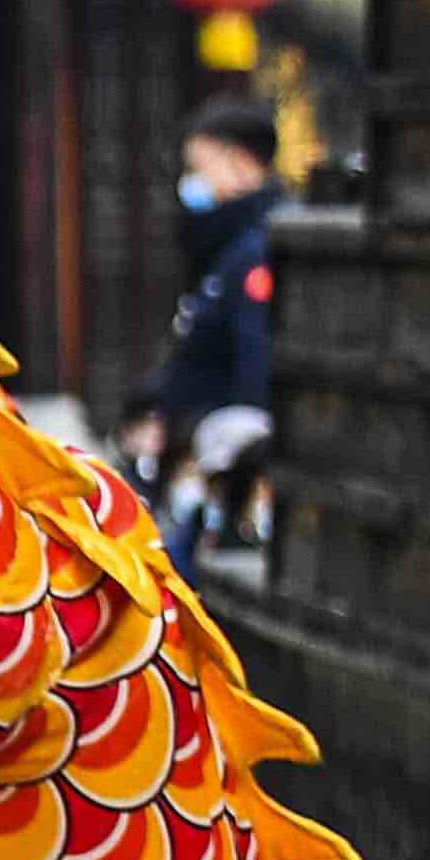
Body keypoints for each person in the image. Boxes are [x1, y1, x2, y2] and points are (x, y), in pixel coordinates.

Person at [124, 96, 282, 556]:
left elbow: (255, 370)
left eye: (200, 167)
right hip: (189, 452)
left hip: (223, 468)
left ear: (238, 164)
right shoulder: (226, 247)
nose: (191, 184)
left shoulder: (256, 250)